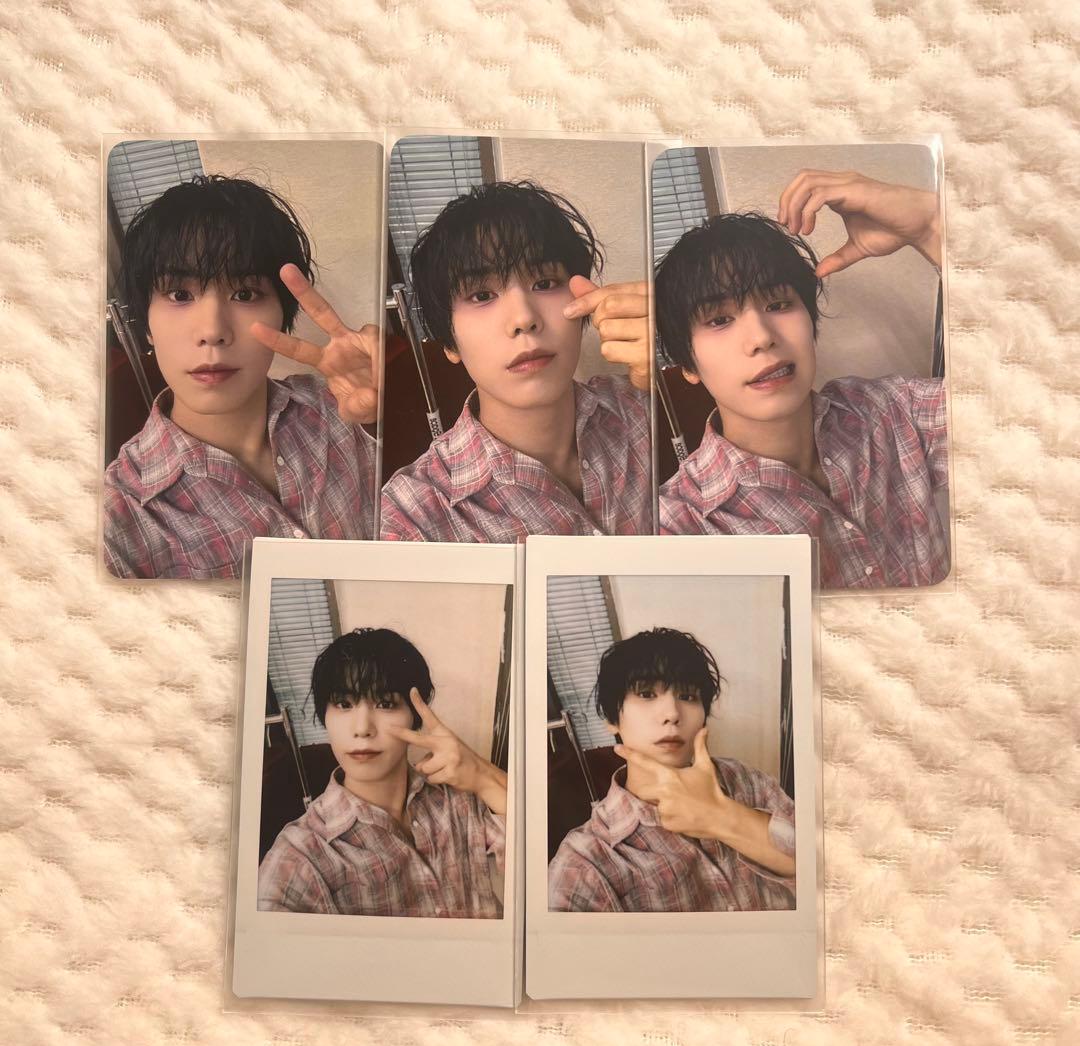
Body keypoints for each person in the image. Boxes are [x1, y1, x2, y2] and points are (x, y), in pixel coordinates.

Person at [656, 170, 949, 589]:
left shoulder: (891, 411)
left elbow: (1030, 401)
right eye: (719, 320)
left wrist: (932, 225)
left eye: (778, 304)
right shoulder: (682, 526)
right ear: (687, 363)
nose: (761, 338)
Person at [104, 174, 381, 579]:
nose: (212, 331)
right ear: (145, 323)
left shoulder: (343, 411)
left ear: (283, 314)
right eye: (179, 295)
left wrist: (388, 411)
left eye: (245, 294)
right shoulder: (118, 522)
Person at [379, 180, 652, 542]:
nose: (524, 318)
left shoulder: (643, 408)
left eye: (544, 283)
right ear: (450, 340)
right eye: (481, 295)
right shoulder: (412, 518)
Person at [258, 628, 508, 918]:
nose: (362, 728)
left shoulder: (456, 798)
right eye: (344, 704)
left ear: (415, 717)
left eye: (385, 703)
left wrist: (482, 775)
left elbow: (535, 855)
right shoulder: (303, 857)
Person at [548, 628, 796, 913]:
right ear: (612, 718)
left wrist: (722, 816)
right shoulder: (587, 863)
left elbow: (831, 873)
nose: (672, 714)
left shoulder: (747, 781)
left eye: (688, 696)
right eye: (646, 694)